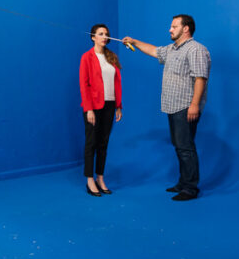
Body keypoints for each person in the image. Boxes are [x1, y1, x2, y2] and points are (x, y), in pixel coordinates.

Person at [123, 14, 211, 201]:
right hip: (172, 106)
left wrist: (194, 105)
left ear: (185, 28)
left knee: (185, 147)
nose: (170, 29)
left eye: (174, 26)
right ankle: (183, 182)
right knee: (179, 146)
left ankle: (190, 188)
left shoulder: (196, 49)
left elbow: (200, 79)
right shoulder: (172, 49)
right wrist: (134, 42)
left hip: (186, 106)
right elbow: (155, 51)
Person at [79, 24, 122, 196]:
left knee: (103, 143)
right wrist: (88, 109)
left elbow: (117, 83)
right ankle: (90, 180)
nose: (105, 37)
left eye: (107, 34)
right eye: (101, 34)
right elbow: (84, 85)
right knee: (91, 143)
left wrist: (118, 106)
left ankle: (100, 177)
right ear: (92, 37)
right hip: (93, 106)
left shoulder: (111, 57)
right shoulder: (87, 57)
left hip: (110, 105)